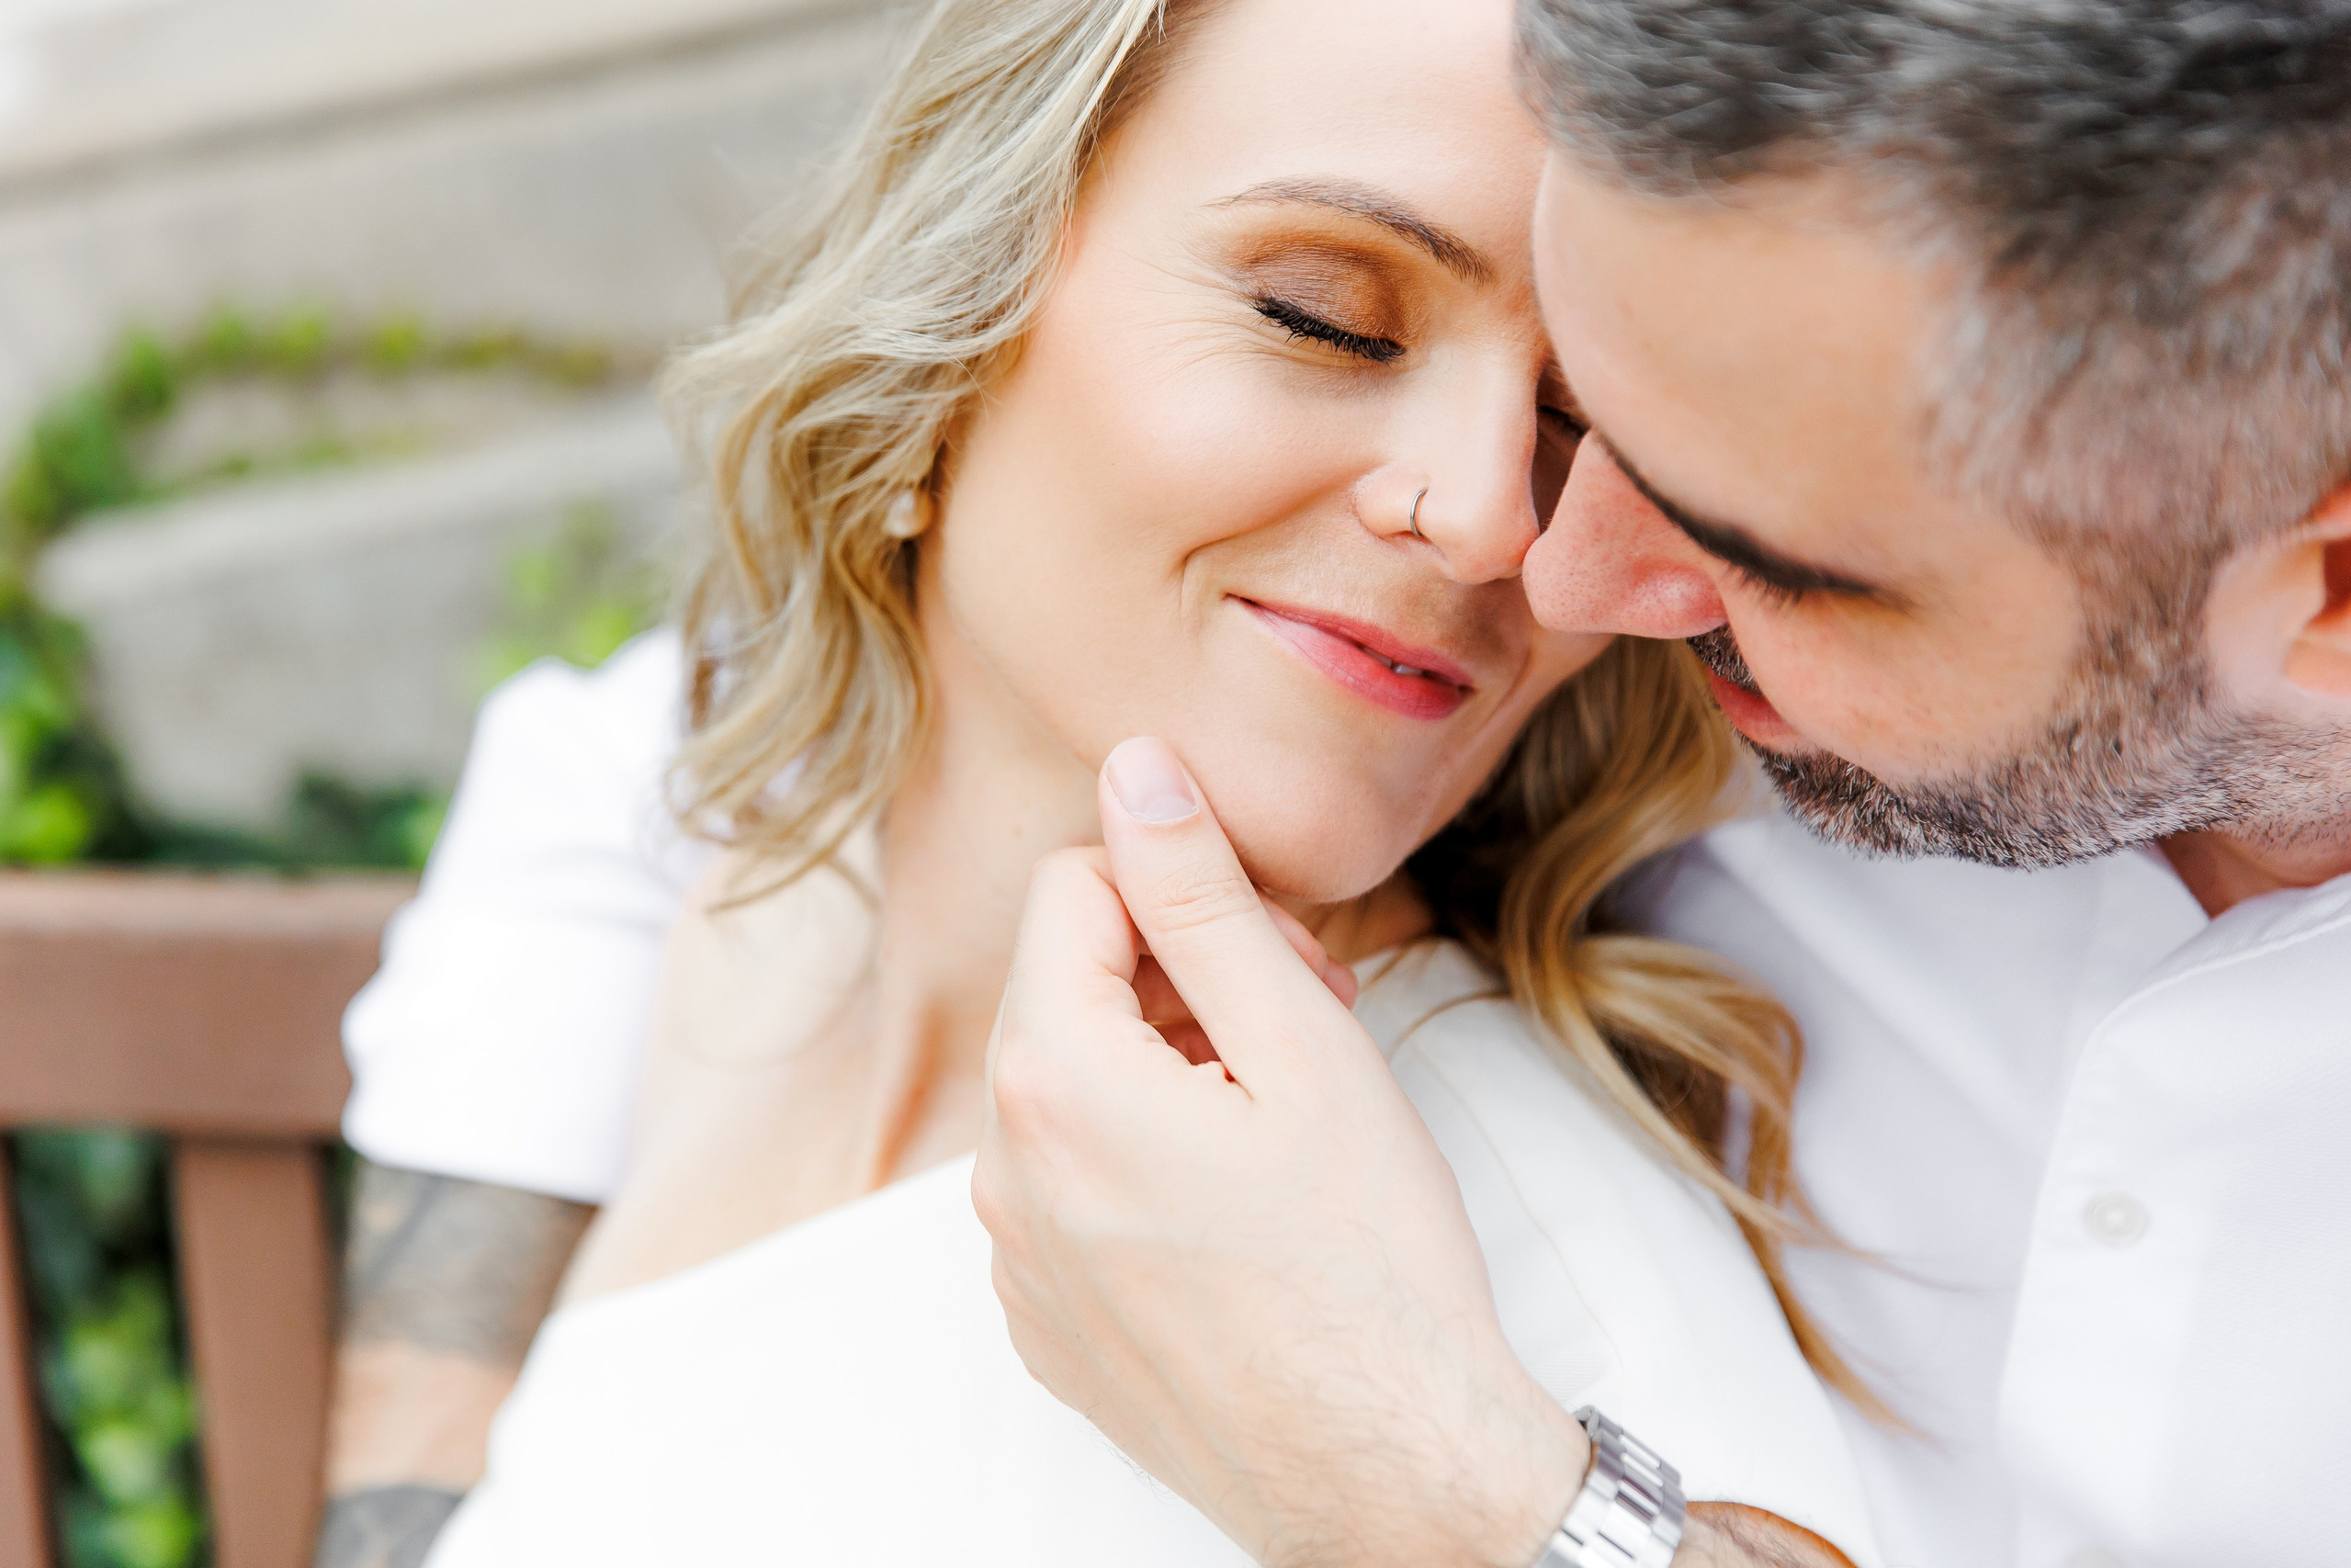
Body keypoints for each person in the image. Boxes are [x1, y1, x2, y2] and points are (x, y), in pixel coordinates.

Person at [317, 0, 1893, 1563]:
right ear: (954, 307)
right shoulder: (746, 895)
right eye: (1326, 316)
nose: (1495, 516)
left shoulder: (1526, 1258)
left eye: (1586, 422)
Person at [973, 2, 2351, 1567]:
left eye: (1762, 551)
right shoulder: (1628, 716)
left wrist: (1439, 1497)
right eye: (1599, 414)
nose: (1555, 577)